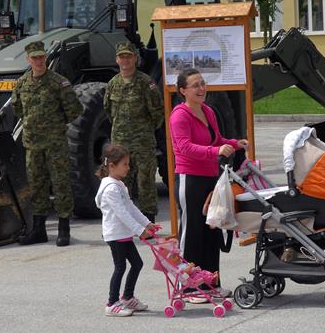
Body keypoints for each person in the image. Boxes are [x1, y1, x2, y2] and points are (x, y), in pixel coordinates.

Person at [170, 68, 247, 302]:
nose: (201, 89)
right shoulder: (179, 115)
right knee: (192, 233)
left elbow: (217, 140)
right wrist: (215, 152)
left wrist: (235, 143)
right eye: (195, 85)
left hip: (210, 178)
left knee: (212, 231)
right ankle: (188, 287)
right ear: (183, 91)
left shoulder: (208, 111)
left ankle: (211, 283)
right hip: (189, 179)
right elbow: (184, 147)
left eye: (203, 84)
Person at [11, 40, 83, 247]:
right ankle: (39, 230)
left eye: (41, 57)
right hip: (33, 145)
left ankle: (63, 229)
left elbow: (74, 110)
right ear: (28, 59)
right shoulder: (22, 83)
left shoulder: (58, 83)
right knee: (36, 186)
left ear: (46, 57)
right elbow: (18, 109)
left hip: (55, 144)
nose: (39, 61)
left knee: (60, 184)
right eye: (35, 58)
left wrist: (53, 125)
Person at [103, 41, 164, 222]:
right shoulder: (112, 84)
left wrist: (144, 130)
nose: (125, 60)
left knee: (145, 181)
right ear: (117, 60)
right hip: (120, 144)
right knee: (122, 183)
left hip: (143, 142)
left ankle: (149, 220)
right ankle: (125, 220)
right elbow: (108, 111)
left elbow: (157, 113)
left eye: (129, 56)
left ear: (135, 58)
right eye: (122, 56)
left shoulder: (146, 83)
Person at [95, 143, 157, 317]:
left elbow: (130, 207)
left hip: (124, 234)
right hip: (115, 235)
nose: (128, 168)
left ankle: (127, 297)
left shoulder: (120, 185)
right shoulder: (110, 189)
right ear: (112, 166)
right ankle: (111, 303)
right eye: (125, 164)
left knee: (137, 264)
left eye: (128, 164)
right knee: (120, 267)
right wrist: (139, 230)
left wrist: (146, 223)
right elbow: (122, 213)